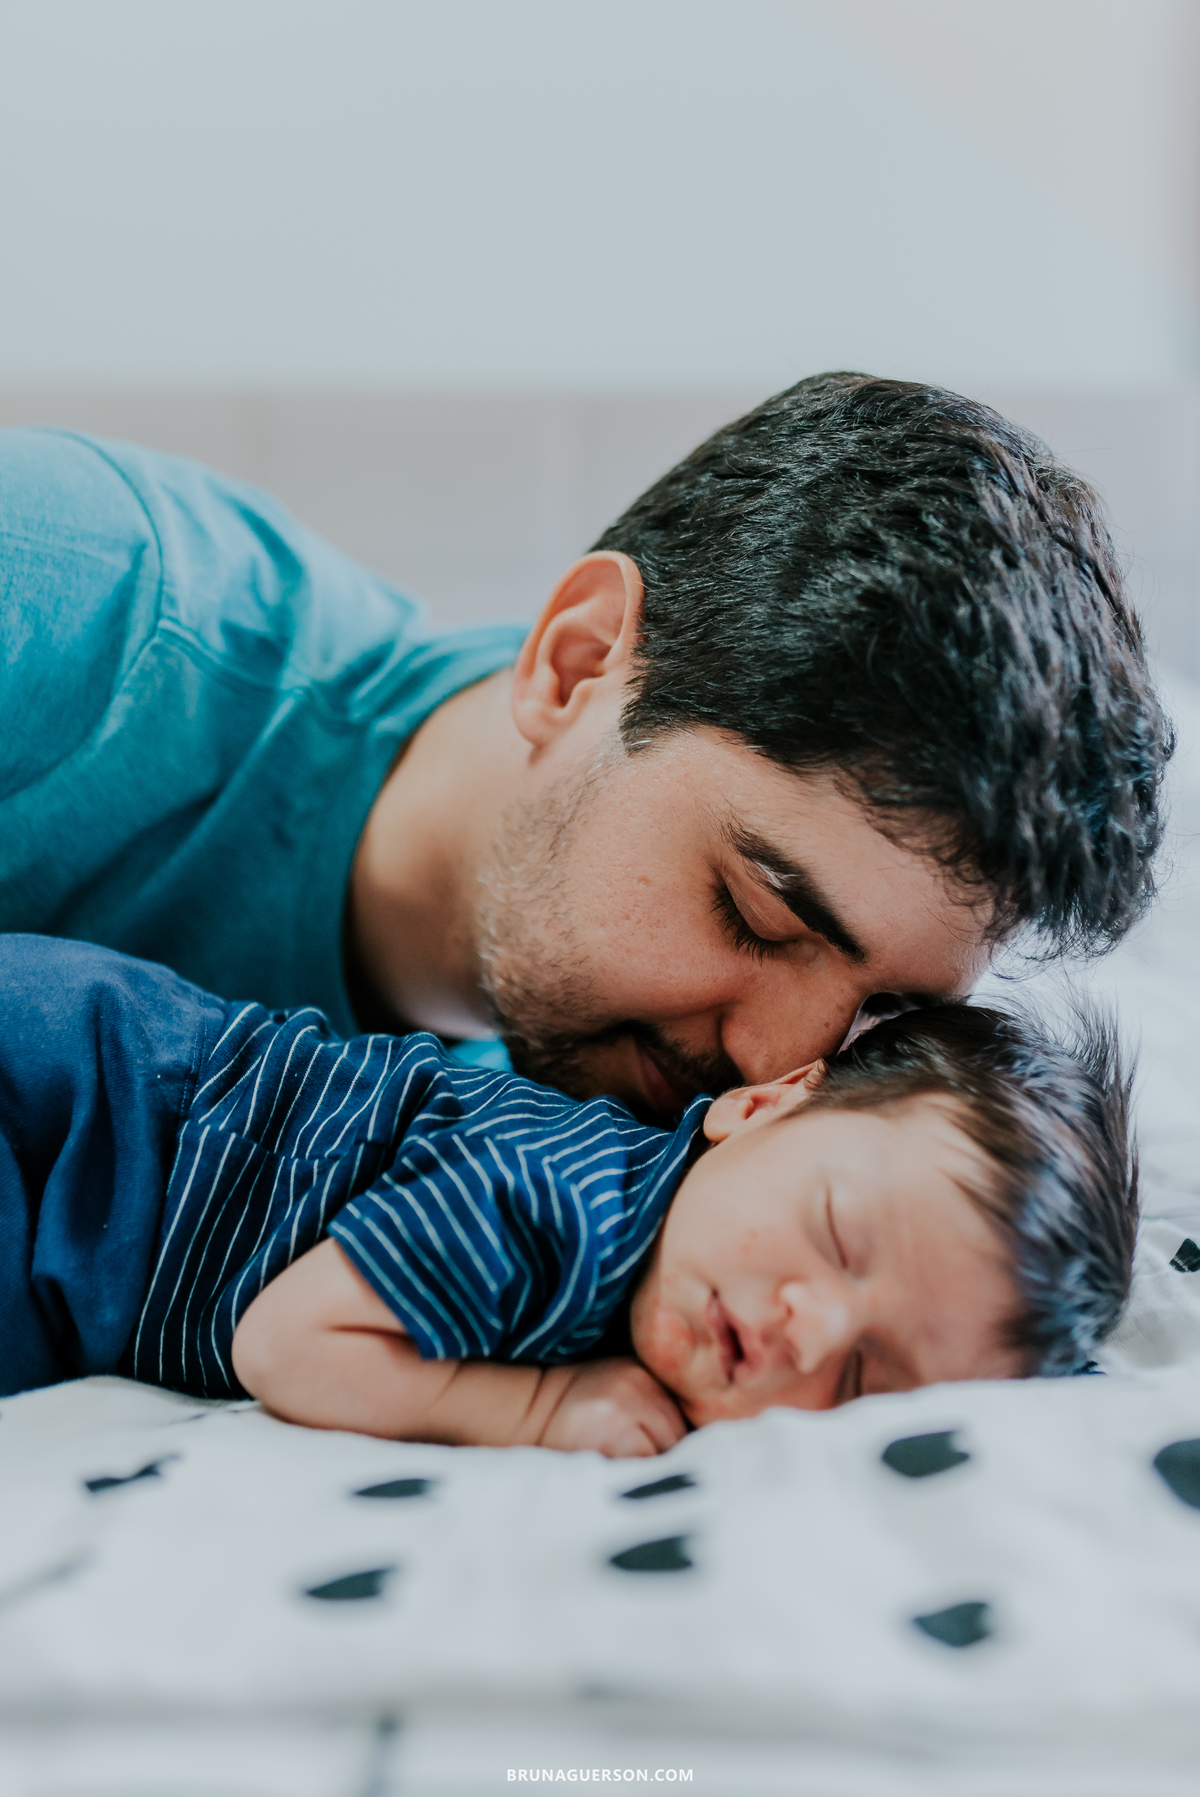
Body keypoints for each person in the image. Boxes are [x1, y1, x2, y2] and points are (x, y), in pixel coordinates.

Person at [0, 375, 1171, 1119]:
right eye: (757, 912)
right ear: (577, 659)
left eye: (880, 1019)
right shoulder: (82, 595)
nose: (778, 1061)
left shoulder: (588, 1154)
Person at [0, 936, 1135, 1458]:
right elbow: (286, 1345)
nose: (811, 1329)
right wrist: (539, 1416)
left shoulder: (650, 1250)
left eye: (863, 1382)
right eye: (835, 1234)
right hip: (75, 1112)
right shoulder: (572, 1204)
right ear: (765, 1105)